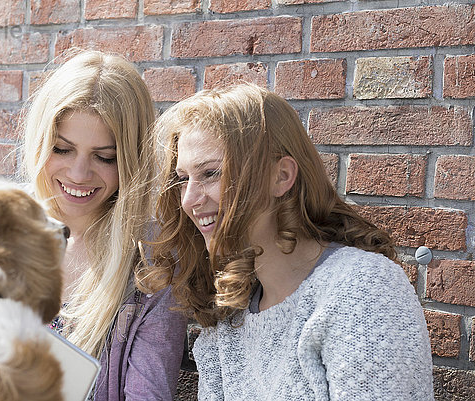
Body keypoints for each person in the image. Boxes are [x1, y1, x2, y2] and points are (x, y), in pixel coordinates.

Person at [138, 84, 434, 400]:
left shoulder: (364, 289)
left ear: (281, 176)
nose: (189, 200)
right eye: (184, 179)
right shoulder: (230, 316)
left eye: (210, 173)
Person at [21, 50, 187, 400]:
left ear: (132, 158)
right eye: (62, 149)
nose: (79, 174)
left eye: (104, 157)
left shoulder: (152, 266)